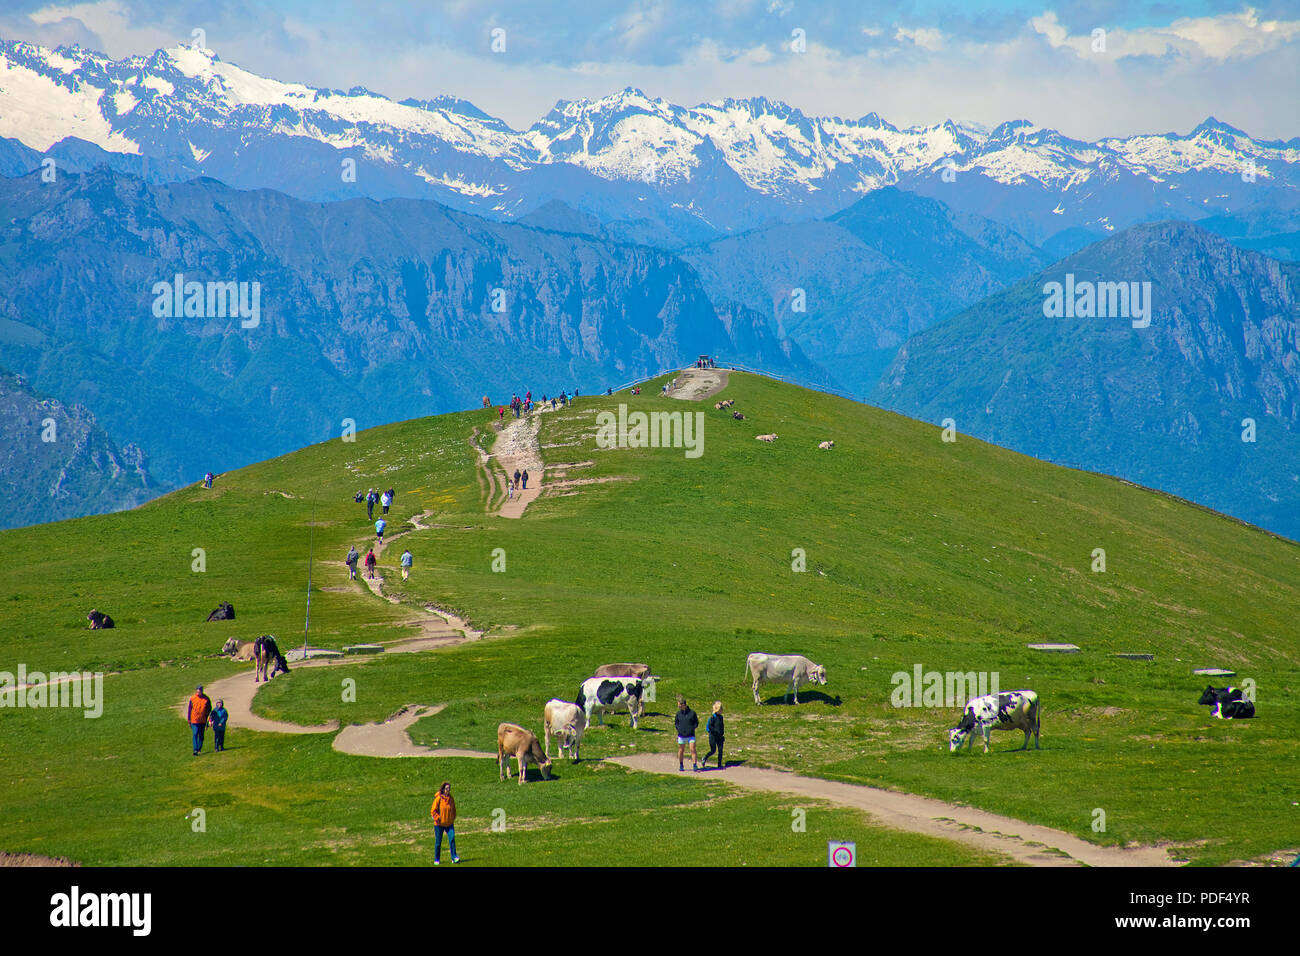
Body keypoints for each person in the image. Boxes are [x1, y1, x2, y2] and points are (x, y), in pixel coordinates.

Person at [430, 781, 460, 864]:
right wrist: (438, 818)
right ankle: (437, 859)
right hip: (439, 825)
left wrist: (453, 818)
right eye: (446, 788)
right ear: (443, 789)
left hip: (449, 824)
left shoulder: (451, 799)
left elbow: (454, 809)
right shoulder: (438, 799)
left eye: (449, 788)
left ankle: (454, 857)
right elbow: (433, 811)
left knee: (452, 839)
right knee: (438, 842)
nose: (448, 790)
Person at [675, 697, 700, 772]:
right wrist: (679, 729)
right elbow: (676, 723)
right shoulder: (678, 714)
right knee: (681, 750)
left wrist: (692, 728)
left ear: (684, 705)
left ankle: (695, 765)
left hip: (691, 735)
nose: (679, 707)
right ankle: (681, 764)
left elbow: (696, 722)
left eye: (679, 705)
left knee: (693, 749)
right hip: (681, 735)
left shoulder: (692, 713)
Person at [188, 685, 212, 756]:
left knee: (201, 735)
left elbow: (209, 710)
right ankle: (195, 750)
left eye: (200, 691)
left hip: (202, 720)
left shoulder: (206, 699)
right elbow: (189, 709)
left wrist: (209, 720)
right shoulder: (192, 698)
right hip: (194, 720)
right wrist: (189, 719)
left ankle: (199, 749)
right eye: (197, 691)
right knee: (195, 734)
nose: (198, 692)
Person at [703, 701, 725, 770]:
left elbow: (722, 726)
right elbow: (709, 727)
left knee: (720, 750)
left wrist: (722, 734)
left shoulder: (721, 717)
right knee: (713, 750)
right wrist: (715, 731)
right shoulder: (713, 718)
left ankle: (719, 765)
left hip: (720, 737)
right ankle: (705, 757)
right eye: (721, 709)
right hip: (713, 736)